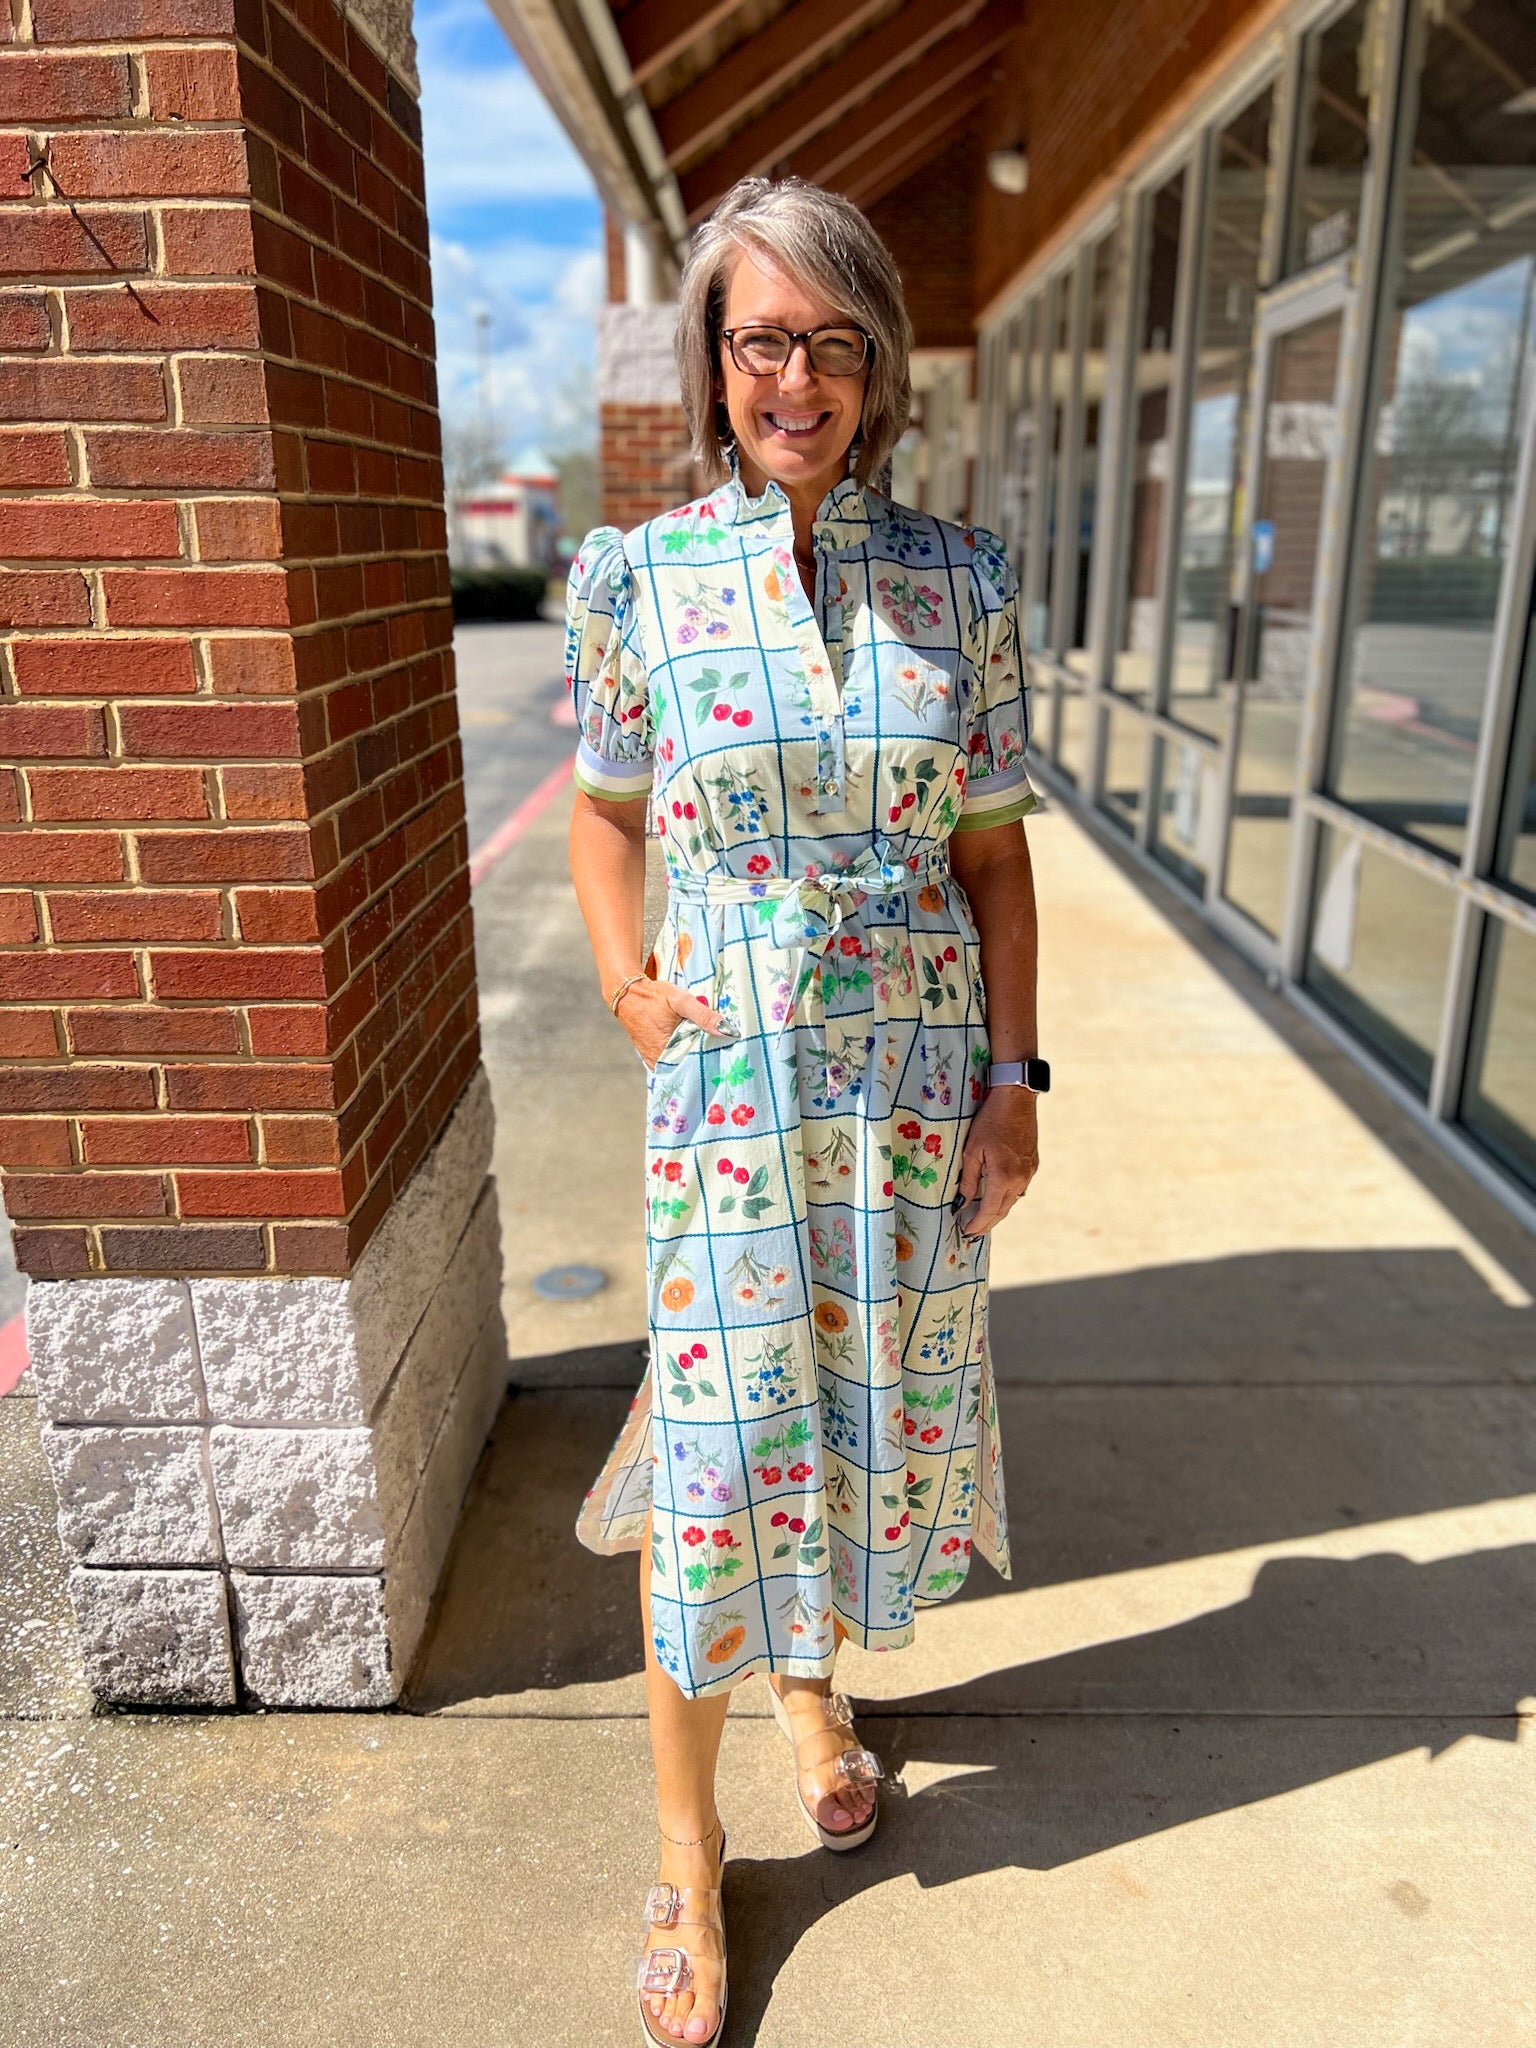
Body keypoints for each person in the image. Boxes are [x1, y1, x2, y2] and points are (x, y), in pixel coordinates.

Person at [565, 174, 1045, 2047]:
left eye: (833, 341)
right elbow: (609, 824)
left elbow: (995, 860)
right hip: (736, 1083)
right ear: (714, 356)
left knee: (853, 1406)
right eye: (763, 336)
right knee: (722, 1439)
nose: (799, 375)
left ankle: (810, 1691)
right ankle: (686, 1851)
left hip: (917, 1086)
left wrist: (1013, 1083)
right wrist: (629, 987)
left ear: (878, 366)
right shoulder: (641, 580)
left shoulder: (965, 581)